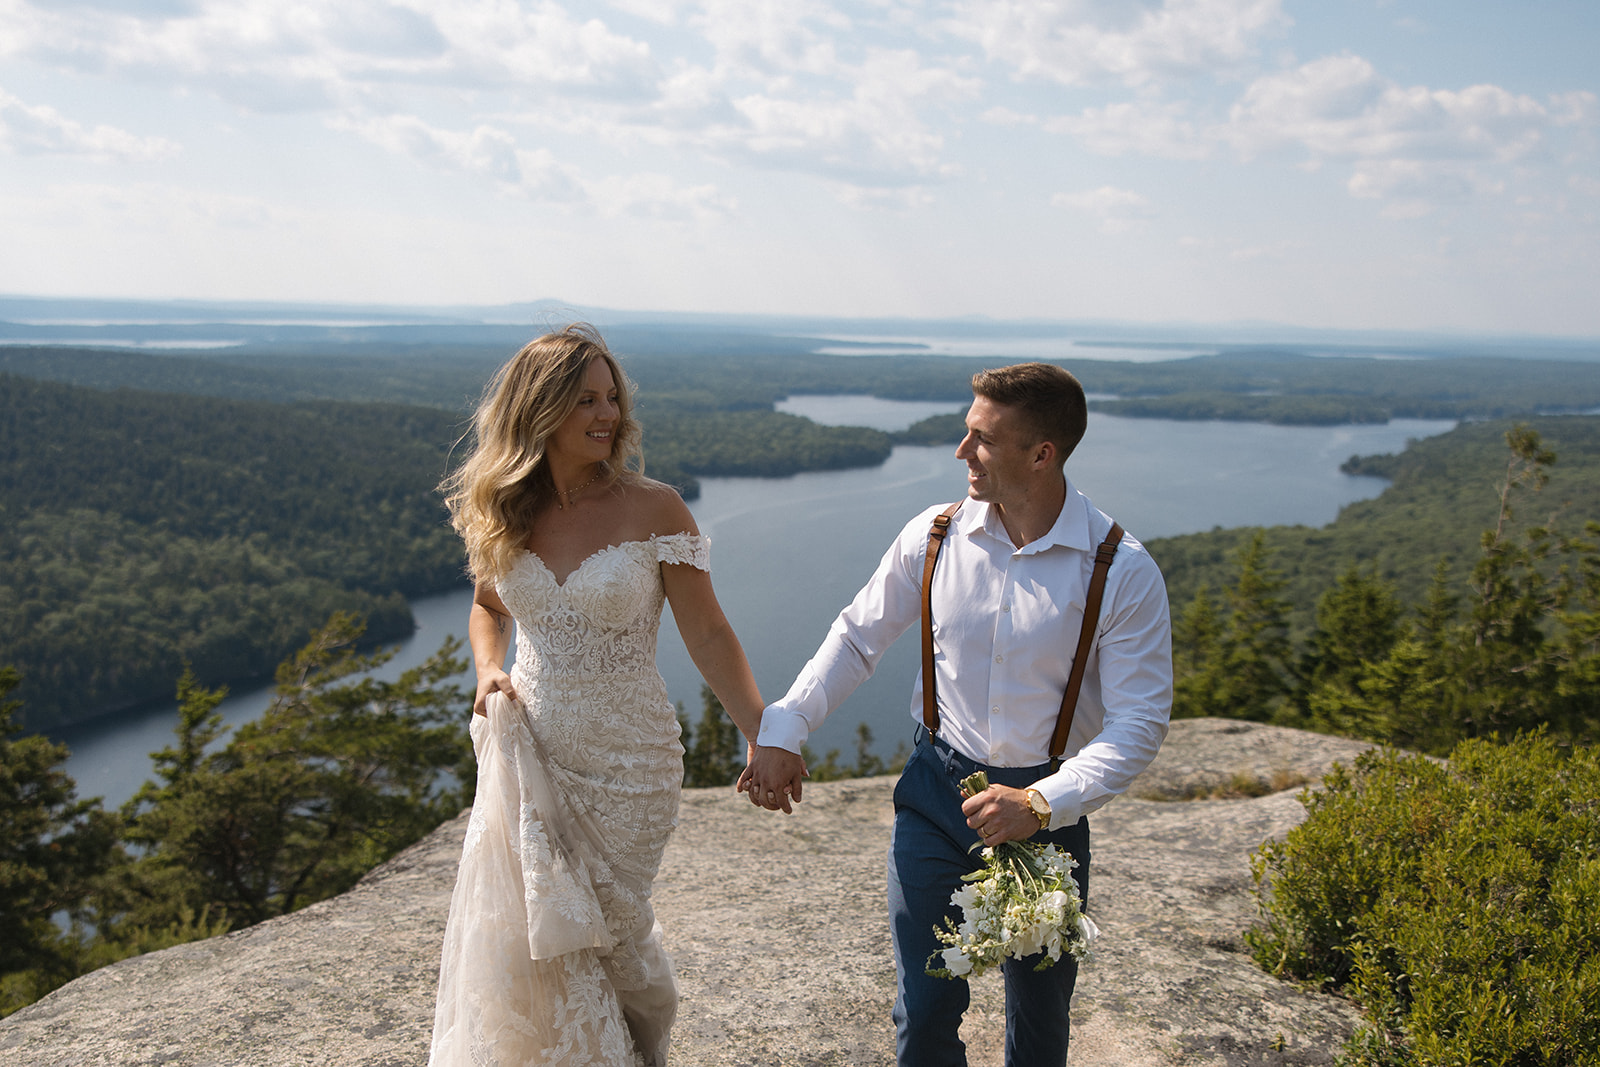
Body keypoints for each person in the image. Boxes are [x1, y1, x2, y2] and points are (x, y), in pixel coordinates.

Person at [743, 362, 1172, 1066]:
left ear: (1042, 454)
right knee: (925, 1008)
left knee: (1038, 1025)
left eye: (981, 439)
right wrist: (785, 728)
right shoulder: (935, 534)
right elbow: (857, 637)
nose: (960, 452)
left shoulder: (1119, 568)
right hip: (936, 794)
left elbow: (1139, 722)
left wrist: (1041, 799)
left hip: (1045, 817)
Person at [428, 324, 766, 1067]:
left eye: (612, 396)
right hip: (534, 750)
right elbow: (489, 605)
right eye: (585, 398)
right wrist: (487, 670)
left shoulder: (656, 509)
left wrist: (761, 733)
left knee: (609, 933)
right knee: (541, 941)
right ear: (539, 408)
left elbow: (708, 633)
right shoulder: (507, 506)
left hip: (630, 762)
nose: (607, 413)